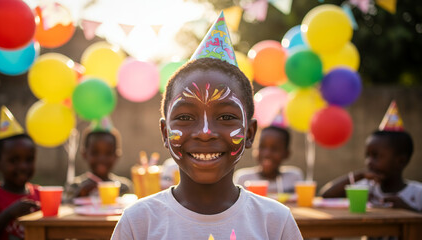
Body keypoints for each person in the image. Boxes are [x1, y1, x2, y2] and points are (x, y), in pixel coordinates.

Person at [111, 11, 302, 240]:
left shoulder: (275, 222)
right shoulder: (138, 223)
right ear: (165, 133)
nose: (204, 132)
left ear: (250, 133)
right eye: (185, 118)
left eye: (225, 117)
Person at [320, 101, 422, 213]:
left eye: (376, 156)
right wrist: (359, 175)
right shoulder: (366, 187)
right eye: (367, 156)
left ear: (401, 161)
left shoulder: (417, 193)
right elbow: (326, 195)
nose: (369, 161)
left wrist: (408, 209)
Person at [0, 106, 40, 240]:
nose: (23, 166)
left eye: (29, 159)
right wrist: (8, 214)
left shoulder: (40, 195)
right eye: (14, 160)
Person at [64, 118, 133, 202]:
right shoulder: (75, 186)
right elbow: (65, 207)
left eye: (108, 153)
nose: (101, 159)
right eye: (95, 153)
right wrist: (80, 195)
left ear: (116, 156)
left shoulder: (123, 187)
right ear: (84, 154)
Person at [234, 124, 304, 194]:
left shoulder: (293, 178)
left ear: (286, 154)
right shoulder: (244, 179)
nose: (267, 154)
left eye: (274, 149)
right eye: (262, 147)